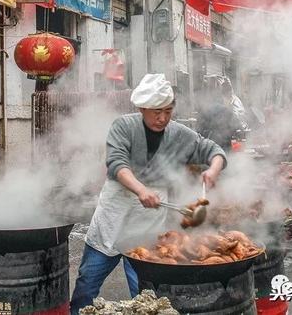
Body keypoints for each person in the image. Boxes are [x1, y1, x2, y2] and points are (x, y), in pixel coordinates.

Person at [69, 74, 227, 314]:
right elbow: (116, 164)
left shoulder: (179, 133)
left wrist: (213, 169)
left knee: (146, 296)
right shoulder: (123, 126)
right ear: (141, 108)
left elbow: (212, 150)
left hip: (146, 229)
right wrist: (141, 189)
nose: (162, 118)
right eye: (155, 112)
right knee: (86, 287)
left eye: (167, 111)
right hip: (113, 219)